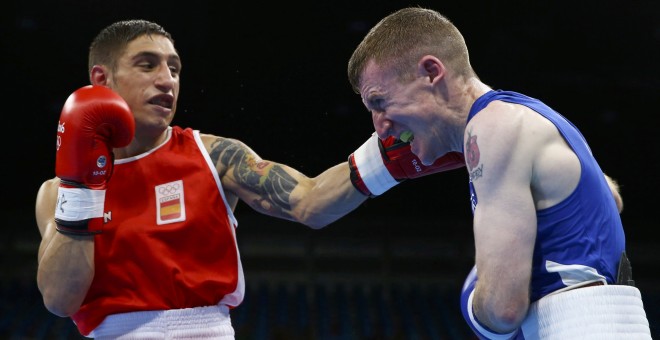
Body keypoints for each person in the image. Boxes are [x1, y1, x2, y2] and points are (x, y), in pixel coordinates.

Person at [35, 19, 465, 339]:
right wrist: (84, 188)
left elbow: (308, 201)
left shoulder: (214, 155)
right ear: (101, 79)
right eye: (147, 65)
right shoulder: (58, 192)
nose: (166, 80)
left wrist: (389, 161)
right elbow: (60, 300)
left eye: (175, 68)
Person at [346, 6, 652, 339]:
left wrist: (471, 295)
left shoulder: (492, 127)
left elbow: (502, 311)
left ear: (432, 72)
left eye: (379, 102)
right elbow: (610, 197)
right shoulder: (530, 117)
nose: (380, 128)